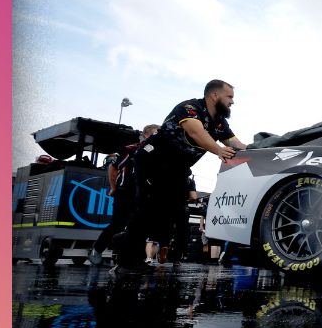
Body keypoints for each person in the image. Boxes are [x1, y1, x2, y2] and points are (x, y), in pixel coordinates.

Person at [122, 80, 246, 269]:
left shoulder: (220, 123)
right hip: (151, 162)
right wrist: (218, 150)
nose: (232, 102)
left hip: (176, 171)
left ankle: (168, 253)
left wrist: (260, 151)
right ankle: (127, 260)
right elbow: (195, 131)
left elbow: (236, 144)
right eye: (229, 97)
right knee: (145, 210)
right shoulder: (189, 108)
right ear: (214, 95)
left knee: (173, 213)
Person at [89, 124, 158, 266]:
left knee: (140, 226)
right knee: (118, 224)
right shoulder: (131, 150)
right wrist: (113, 187)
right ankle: (97, 249)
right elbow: (113, 168)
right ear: (145, 134)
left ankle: (135, 259)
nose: (158, 137)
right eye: (155, 134)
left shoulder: (158, 153)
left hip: (144, 194)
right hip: (125, 193)